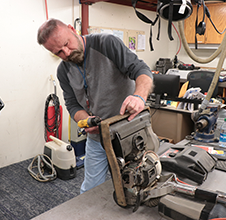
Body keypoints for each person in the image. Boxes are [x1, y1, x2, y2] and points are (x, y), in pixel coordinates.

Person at [37, 18, 152, 194]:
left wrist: (138, 97)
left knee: (135, 185)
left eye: (67, 44)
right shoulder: (63, 71)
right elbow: (72, 104)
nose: (66, 53)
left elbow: (141, 70)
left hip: (129, 133)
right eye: (58, 52)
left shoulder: (106, 43)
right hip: (98, 138)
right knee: (90, 190)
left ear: (71, 29)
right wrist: (85, 120)